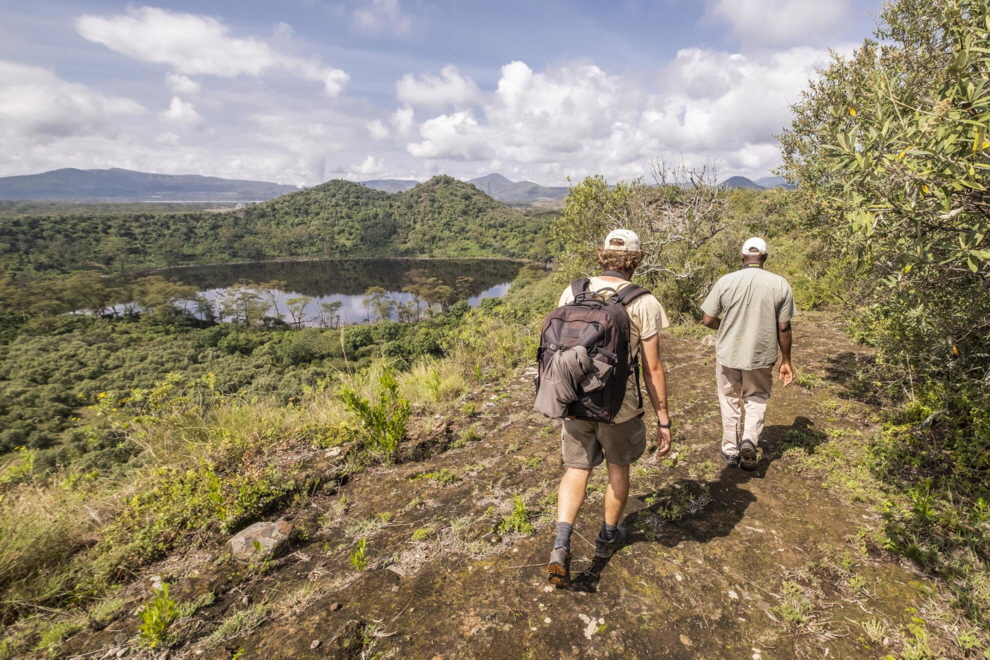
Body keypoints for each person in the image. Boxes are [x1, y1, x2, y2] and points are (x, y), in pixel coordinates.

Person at [548, 229, 673, 587]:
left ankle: (561, 544)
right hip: (620, 406)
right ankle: (607, 537)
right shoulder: (643, 301)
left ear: (603, 255)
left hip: (576, 400)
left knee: (577, 468)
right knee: (618, 467)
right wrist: (663, 419)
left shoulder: (573, 291)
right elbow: (652, 368)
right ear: (635, 260)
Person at [700, 237, 796, 472]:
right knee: (756, 397)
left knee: (729, 399)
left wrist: (727, 327)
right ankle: (749, 441)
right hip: (761, 353)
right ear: (765, 257)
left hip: (729, 351)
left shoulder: (726, 281)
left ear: (742, 257)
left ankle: (731, 451)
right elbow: (784, 327)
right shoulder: (780, 284)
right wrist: (786, 360)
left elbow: (708, 320)